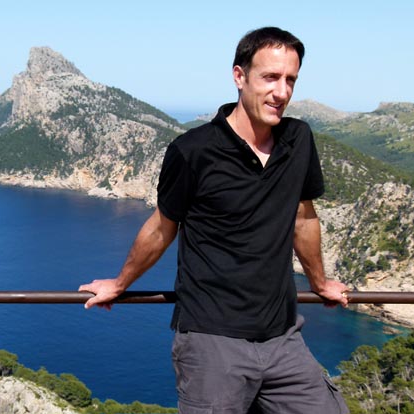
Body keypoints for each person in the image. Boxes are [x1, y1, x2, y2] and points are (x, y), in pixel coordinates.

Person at [79, 27, 350, 414]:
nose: (282, 92)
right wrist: (120, 283)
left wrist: (320, 283)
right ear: (239, 76)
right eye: (270, 77)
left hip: (283, 336)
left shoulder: (299, 139)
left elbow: (303, 218)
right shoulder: (193, 151)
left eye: (290, 79)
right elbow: (161, 228)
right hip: (212, 341)